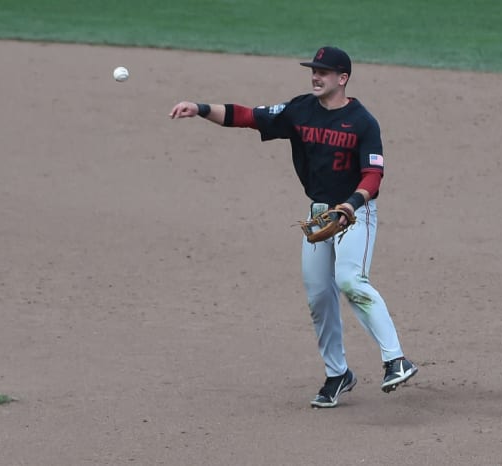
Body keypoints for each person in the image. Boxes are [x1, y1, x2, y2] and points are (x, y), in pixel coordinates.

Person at [169, 46, 418, 408]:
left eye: (324, 72)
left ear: (342, 78)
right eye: (313, 71)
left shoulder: (363, 122)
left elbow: (374, 174)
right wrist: (201, 108)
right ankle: (338, 374)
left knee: (350, 280)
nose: (316, 76)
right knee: (319, 296)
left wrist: (351, 205)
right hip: (319, 215)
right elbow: (247, 116)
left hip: (356, 213)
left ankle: (396, 359)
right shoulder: (299, 110)